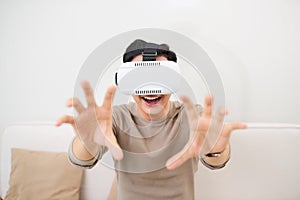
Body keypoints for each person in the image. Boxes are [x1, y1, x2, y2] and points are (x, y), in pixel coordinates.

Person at [56, 39, 247, 200]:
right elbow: (81, 160)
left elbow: (216, 159)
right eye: (140, 78)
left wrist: (215, 149)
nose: (151, 88)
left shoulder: (192, 116)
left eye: (160, 77)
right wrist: (87, 140)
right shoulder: (116, 118)